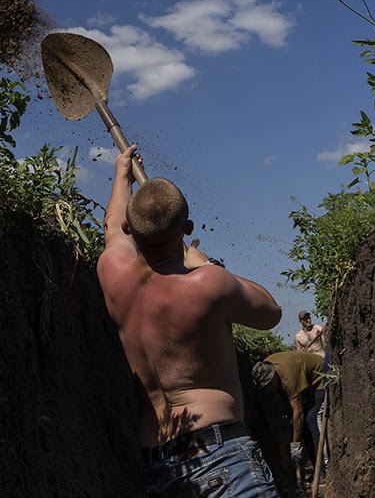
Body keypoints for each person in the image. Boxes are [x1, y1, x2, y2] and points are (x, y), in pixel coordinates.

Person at [96, 145, 283, 497]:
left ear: (128, 225)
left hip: (158, 467)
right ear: (188, 228)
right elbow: (270, 313)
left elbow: (113, 231)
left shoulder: (112, 275)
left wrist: (122, 173)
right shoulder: (207, 285)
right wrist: (206, 264)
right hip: (222, 458)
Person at [251, 350, 324, 473]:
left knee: (312, 420)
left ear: (273, 375)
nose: (269, 388)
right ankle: (316, 464)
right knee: (304, 428)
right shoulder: (266, 365)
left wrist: (295, 445)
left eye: (269, 384)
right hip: (306, 384)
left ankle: (324, 467)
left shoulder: (287, 379)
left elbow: (298, 412)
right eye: (265, 386)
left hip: (321, 376)